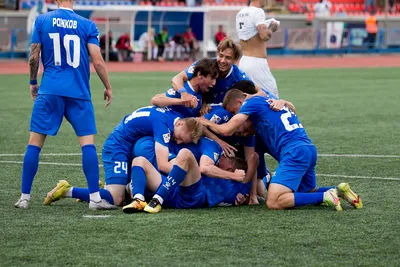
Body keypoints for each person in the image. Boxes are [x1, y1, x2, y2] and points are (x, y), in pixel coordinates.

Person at [14, 0, 113, 210]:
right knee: (87, 145)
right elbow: (98, 61)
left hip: (50, 89)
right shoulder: (87, 25)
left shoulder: (42, 20)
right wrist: (108, 86)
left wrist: (33, 83)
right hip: (79, 92)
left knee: (34, 144)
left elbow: (34, 55)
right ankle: (95, 199)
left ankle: (24, 198)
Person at [199, 89, 363, 211]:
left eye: (234, 112)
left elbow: (227, 129)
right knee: (305, 192)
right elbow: (292, 110)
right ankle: (339, 191)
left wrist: (204, 122)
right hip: (308, 148)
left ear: (240, 103)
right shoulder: (266, 109)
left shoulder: (252, 103)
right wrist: (285, 101)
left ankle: (325, 196)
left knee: (273, 201)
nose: (236, 117)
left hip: (295, 151)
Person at [43, 106, 203, 207]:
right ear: (180, 124)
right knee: (116, 198)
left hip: (127, 144)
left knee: (128, 188)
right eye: (181, 137)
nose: (179, 141)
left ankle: (98, 189)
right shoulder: (164, 126)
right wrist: (183, 173)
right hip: (118, 147)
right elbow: (162, 165)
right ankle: (67, 190)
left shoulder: (171, 115)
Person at [122, 137, 258, 213]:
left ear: (230, 167)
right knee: (139, 161)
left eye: (224, 158)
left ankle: (156, 199)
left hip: (194, 196)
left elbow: (254, 157)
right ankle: (138, 199)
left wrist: (240, 180)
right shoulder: (221, 173)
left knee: (185, 154)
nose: (219, 158)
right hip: (173, 191)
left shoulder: (237, 185)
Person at [171, 38, 254, 116]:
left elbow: (260, 92)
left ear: (235, 60)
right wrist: (184, 93)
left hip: (220, 111)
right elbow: (177, 78)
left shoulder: (238, 75)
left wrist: (250, 97)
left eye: (228, 58)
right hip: (194, 106)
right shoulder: (206, 65)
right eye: (221, 55)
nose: (222, 61)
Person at [236, 0, 279, 98]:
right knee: (272, 99)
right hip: (257, 63)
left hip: (244, 62)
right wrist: (272, 27)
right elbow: (264, 35)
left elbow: (250, 33)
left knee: (250, 100)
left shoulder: (240, 13)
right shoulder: (258, 11)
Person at [151, 58, 219, 118]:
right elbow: (155, 100)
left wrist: (204, 105)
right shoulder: (184, 88)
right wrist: (182, 101)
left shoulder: (200, 91)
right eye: (212, 78)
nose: (214, 83)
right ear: (200, 75)